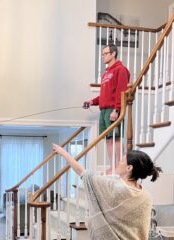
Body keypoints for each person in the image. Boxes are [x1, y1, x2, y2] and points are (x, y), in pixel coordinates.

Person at [53, 143, 162, 240]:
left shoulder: (114, 187)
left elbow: (83, 173)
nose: (119, 162)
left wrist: (64, 153)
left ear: (129, 168)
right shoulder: (146, 196)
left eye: (122, 160)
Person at [83, 43, 130, 172]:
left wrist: (117, 110)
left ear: (113, 54)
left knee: (116, 138)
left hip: (112, 110)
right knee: (108, 140)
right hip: (103, 111)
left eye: (105, 54)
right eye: (102, 54)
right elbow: (104, 95)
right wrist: (91, 102)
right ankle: (112, 166)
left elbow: (121, 91)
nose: (102, 56)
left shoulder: (120, 70)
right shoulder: (105, 74)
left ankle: (120, 165)